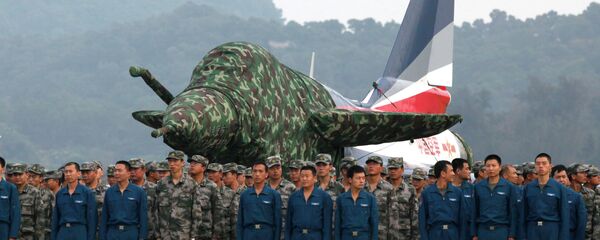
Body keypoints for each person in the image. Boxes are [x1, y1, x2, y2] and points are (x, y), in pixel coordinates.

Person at [155, 150, 203, 240]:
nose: (172, 164)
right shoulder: (161, 184)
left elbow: (196, 212)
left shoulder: (191, 184)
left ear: (182, 163)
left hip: (184, 234)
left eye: (175, 161)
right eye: (170, 161)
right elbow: (156, 211)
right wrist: (157, 235)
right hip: (165, 234)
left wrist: (193, 236)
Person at [522, 153, 569, 240]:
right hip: (532, 229)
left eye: (544, 163)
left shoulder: (559, 188)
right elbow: (523, 214)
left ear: (550, 166)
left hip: (552, 228)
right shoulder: (528, 188)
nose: (541, 166)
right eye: (538, 164)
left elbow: (564, 216)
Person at [471, 154, 518, 240]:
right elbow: (474, 211)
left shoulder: (509, 187)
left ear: (499, 168)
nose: (491, 168)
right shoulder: (478, 187)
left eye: (494, 165)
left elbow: (513, 212)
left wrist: (512, 234)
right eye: (488, 166)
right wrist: (474, 233)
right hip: (483, 230)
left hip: (501, 230)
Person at [99, 160, 148, 240]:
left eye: (120, 171)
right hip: (113, 232)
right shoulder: (109, 192)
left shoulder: (138, 192)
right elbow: (104, 217)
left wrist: (142, 237)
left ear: (128, 173)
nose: (116, 173)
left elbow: (143, 218)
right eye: (115, 171)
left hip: (131, 232)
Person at [419, 160, 466, 240]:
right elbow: (422, 220)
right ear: (443, 174)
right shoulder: (427, 193)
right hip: (434, 234)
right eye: (451, 171)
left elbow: (462, 219)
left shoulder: (457, 193)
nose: (453, 173)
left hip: (452, 234)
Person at [51, 162, 98, 240]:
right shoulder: (60, 194)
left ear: (78, 174)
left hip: (80, 231)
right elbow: (55, 219)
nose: (68, 174)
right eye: (66, 172)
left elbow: (92, 220)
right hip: (63, 231)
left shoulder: (87, 193)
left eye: (71, 171)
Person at [285, 164, 333, 240]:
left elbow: (327, 225)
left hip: (315, 236)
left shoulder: (324, 197)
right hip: (297, 236)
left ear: (314, 178)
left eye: (307, 176)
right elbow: (288, 224)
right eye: (302, 176)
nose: (304, 179)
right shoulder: (293, 197)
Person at [237, 161, 282, 240]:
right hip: (249, 233)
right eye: (255, 171)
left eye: (260, 171)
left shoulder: (274, 195)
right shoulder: (245, 195)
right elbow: (240, 221)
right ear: (252, 173)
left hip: (266, 234)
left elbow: (278, 222)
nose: (257, 174)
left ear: (266, 174)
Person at [335, 165, 378, 240]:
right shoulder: (341, 199)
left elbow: (374, 224)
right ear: (350, 180)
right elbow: (337, 224)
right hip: (346, 236)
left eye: (363, 178)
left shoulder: (370, 199)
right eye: (358, 178)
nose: (361, 181)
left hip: (363, 237)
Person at [7, 163, 44, 240]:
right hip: (11, 236)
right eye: (15, 174)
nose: (17, 177)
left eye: (20, 174)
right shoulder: (9, 192)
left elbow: (40, 219)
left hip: (28, 236)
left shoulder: (35, 193)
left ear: (27, 174)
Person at [386, 157, 418, 239]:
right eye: (390, 168)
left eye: (396, 168)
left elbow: (414, 215)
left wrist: (415, 236)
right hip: (385, 234)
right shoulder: (383, 188)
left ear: (402, 169)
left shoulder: (410, 189)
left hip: (404, 234)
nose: (393, 171)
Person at [551, 164, 586, 240]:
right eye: (558, 177)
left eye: (564, 177)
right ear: (551, 179)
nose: (561, 180)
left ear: (567, 178)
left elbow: (581, 223)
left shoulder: (576, 197)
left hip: (570, 235)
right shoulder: (546, 196)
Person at [187, 155, 217, 240]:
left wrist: (216, 235)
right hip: (185, 232)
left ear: (203, 168)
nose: (192, 165)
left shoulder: (211, 187)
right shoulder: (184, 185)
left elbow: (217, 213)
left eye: (195, 163)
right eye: (191, 163)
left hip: (205, 234)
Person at [266, 155, 296, 238]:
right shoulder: (262, 187)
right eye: (272, 168)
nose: (275, 171)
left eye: (278, 168)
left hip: (284, 232)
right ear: (267, 170)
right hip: (266, 232)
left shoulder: (290, 187)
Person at [364, 156, 393, 239]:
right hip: (363, 233)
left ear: (381, 168)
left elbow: (393, 217)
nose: (371, 166)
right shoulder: (360, 187)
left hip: (381, 234)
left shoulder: (389, 188)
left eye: (375, 164)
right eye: (369, 164)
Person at [129, 158, 158, 240]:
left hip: (150, 234)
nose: (132, 172)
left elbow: (158, 212)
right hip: (130, 233)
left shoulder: (154, 189)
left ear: (144, 170)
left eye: (135, 169)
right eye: (130, 169)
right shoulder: (125, 189)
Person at [208, 162, 235, 240]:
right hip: (206, 234)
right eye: (209, 172)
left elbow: (233, 218)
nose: (210, 175)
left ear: (221, 174)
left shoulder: (230, 193)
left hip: (224, 235)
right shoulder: (202, 191)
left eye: (213, 172)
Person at [451, 158, 474, 240]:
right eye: (467, 169)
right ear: (458, 171)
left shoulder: (471, 188)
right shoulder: (447, 188)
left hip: (467, 229)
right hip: (451, 229)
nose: (469, 172)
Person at [223, 162, 246, 240]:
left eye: (226, 175)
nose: (223, 178)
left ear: (235, 175)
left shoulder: (246, 193)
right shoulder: (222, 193)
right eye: (223, 175)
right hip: (225, 234)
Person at [0, 156, 21, 240]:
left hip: (3, 229)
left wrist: (13, 236)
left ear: (3, 169)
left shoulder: (10, 188)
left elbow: (15, 213)